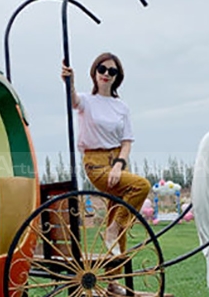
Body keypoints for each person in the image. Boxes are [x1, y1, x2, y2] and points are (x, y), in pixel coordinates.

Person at [61, 52, 150, 254]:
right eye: (102, 69)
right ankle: (113, 229)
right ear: (95, 72)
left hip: (116, 161)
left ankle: (113, 281)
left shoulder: (122, 107)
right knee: (141, 186)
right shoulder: (86, 100)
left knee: (115, 212)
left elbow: (127, 142)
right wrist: (70, 82)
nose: (106, 74)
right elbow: (73, 100)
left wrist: (118, 166)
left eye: (112, 71)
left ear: (117, 76)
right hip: (96, 163)